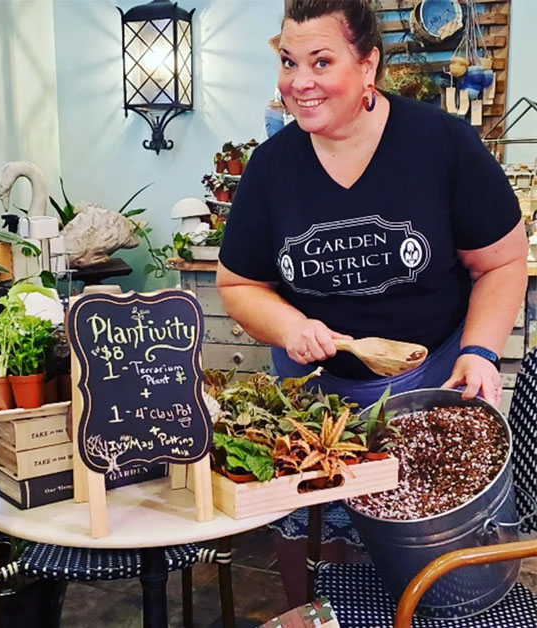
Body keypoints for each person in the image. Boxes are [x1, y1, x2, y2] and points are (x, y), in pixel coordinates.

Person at [217, 0, 526, 607]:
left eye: (321, 61)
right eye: (288, 61)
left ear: (368, 67)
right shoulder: (272, 167)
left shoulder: (441, 144)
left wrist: (482, 351)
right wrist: (291, 324)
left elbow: (501, 261)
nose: (298, 82)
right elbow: (238, 285)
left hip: (430, 384)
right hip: (313, 399)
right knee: (319, 554)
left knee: (437, 573)